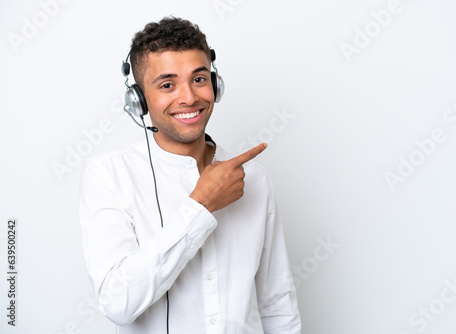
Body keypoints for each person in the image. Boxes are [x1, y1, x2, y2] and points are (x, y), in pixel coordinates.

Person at [79, 16, 300, 333]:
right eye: (167, 85)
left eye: (198, 79)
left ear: (215, 84)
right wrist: (201, 205)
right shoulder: (108, 176)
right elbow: (118, 303)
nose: (189, 98)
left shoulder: (254, 177)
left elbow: (277, 304)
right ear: (138, 100)